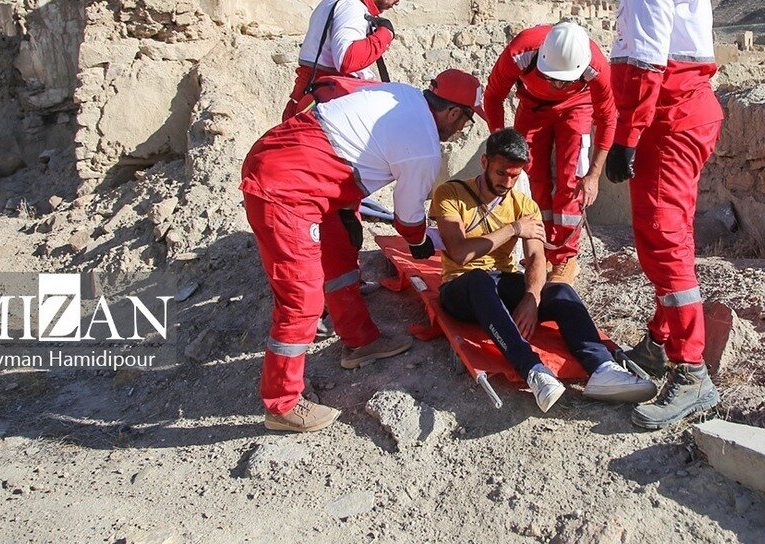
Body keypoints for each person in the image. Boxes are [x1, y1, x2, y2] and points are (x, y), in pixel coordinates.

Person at [241, 69, 485, 433]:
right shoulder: (424, 146)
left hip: (302, 163)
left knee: (340, 258)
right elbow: (407, 219)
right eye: (465, 121)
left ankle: (360, 341)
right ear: (453, 113)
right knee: (301, 298)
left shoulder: (402, 93)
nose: (462, 130)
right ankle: (282, 404)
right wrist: (422, 243)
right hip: (287, 186)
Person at [576, 0, 725, 429]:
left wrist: (626, 138)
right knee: (663, 233)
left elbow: (644, 64)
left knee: (663, 237)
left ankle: (691, 373)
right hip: (680, 113)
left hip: (670, 118)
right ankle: (663, 343)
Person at [429, 129, 657, 413]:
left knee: (560, 290)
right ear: (485, 162)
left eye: (515, 176)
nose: (507, 182)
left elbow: (536, 256)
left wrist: (532, 298)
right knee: (478, 280)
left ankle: (602, 368)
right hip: (460, 286)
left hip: (500, 279)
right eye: (502, 173)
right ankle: (533, 370)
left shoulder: (523, 204)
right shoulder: (451, 193)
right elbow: (460, 252)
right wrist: (513, 229)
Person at [483, 22, 615, 285]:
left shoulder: (596, 67)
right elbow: (493, 95)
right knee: (528, 177)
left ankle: (564, 257)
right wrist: (501, 143)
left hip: (577, 106)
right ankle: (538, 249)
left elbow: (608, 119)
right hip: (532, 105)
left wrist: (594, 175)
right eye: (551, 77)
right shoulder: (521, 51)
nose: (556, 84)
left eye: (563, 80)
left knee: (572, 178)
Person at [282, 0, 416, 120]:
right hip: (324, 111)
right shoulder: (351, 7)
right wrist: (384, 35)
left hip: (316, 104)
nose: (398, 1)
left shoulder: (341, 0)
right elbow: (347, 59)